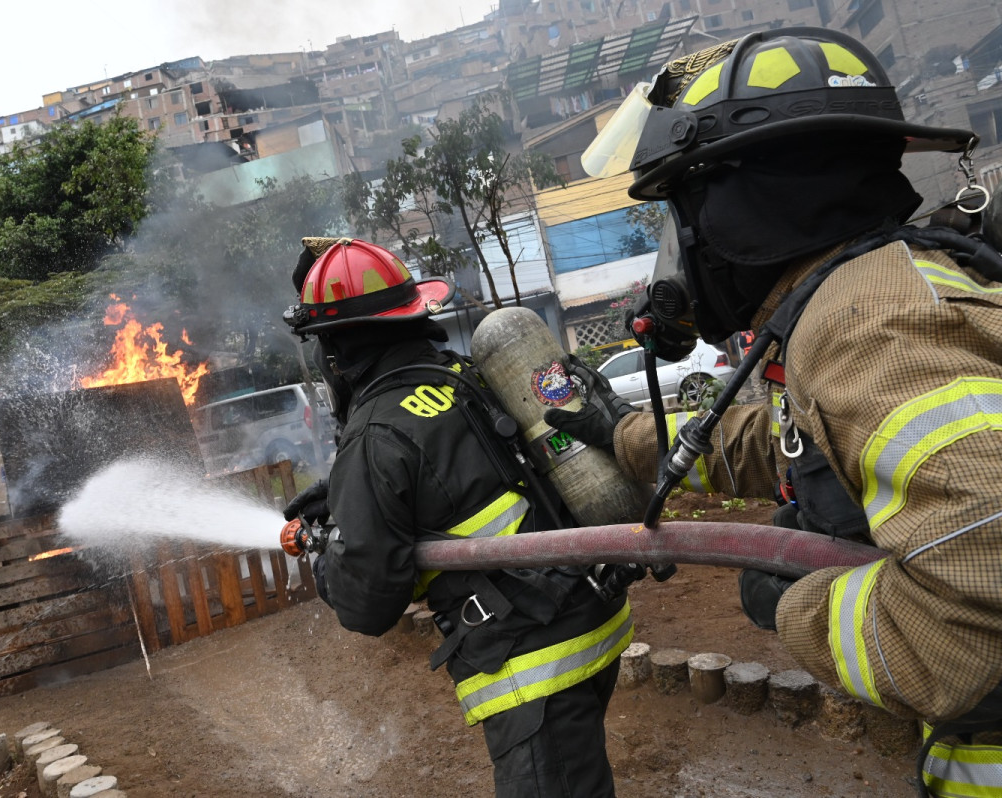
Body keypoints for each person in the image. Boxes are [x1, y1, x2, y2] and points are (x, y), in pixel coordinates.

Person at [553, 27, 1002, 797]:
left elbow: (987, 564)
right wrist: (624, 434)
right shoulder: (862, 294)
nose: (681, 255)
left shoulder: (866, 322)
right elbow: (782, 441)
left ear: (736, 208)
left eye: (681, 216)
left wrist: (805, 603)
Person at [282, 237, 633, 797]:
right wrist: (346, 498)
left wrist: (327, 557)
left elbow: (366, 601)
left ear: (334, 353)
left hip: (532, 663)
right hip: (590, 614)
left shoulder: (375, 434)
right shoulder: (463, 377)